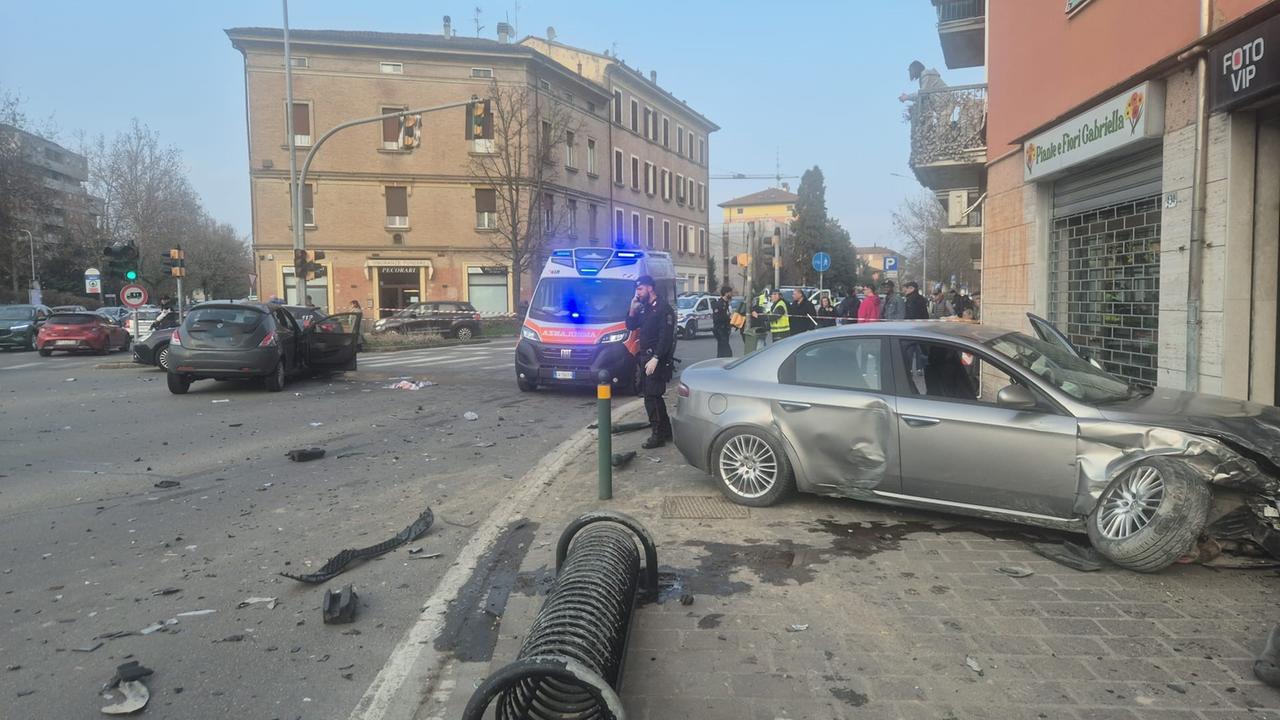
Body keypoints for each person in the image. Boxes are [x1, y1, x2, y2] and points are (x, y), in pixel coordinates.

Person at [626, 275, 677, 449]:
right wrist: (632, 309)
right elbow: (631, 326)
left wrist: (656, 357)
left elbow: (666, 337)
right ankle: (666, 430)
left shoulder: (663, 309)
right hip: (645, 358)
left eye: (640, 289)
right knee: (653, 395)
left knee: (651, 397)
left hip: (656, 359)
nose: (637, 293)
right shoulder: (645, 308)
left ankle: (657, 435)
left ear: (650, 288)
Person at [711, 286, 734, 358]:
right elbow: (717, 318)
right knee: (727, 352)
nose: (731, 294)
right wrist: (728, 318)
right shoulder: (720, 304)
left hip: (725, 330)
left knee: (721, 350)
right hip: (720, 330)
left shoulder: (726, 303)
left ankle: (719, 363)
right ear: (726, 293)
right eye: (730, 293)